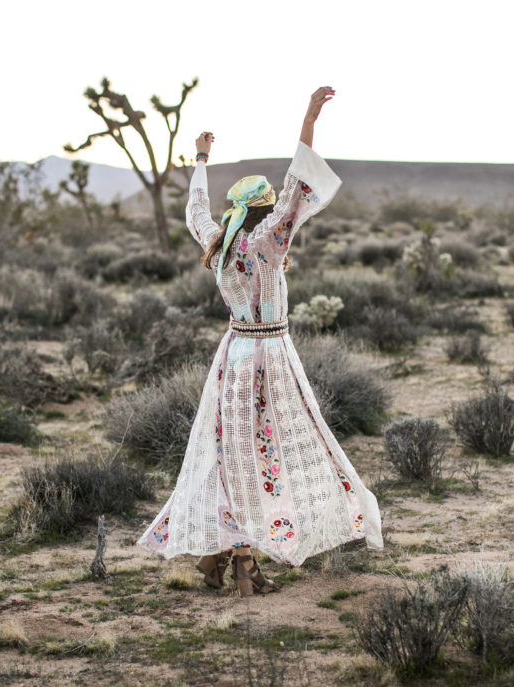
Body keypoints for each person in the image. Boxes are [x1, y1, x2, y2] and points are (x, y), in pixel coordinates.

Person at [137, 87, 383, 596]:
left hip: (233, 355)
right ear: (266, 212)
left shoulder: (219, 243)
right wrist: (310, 118)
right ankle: (243, 565)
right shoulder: (268, 242)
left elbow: (195, 209)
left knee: (235, 454)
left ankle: (220, 555)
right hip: (270, 357)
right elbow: (298, 187)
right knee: (264, 455)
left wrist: (201, 160)